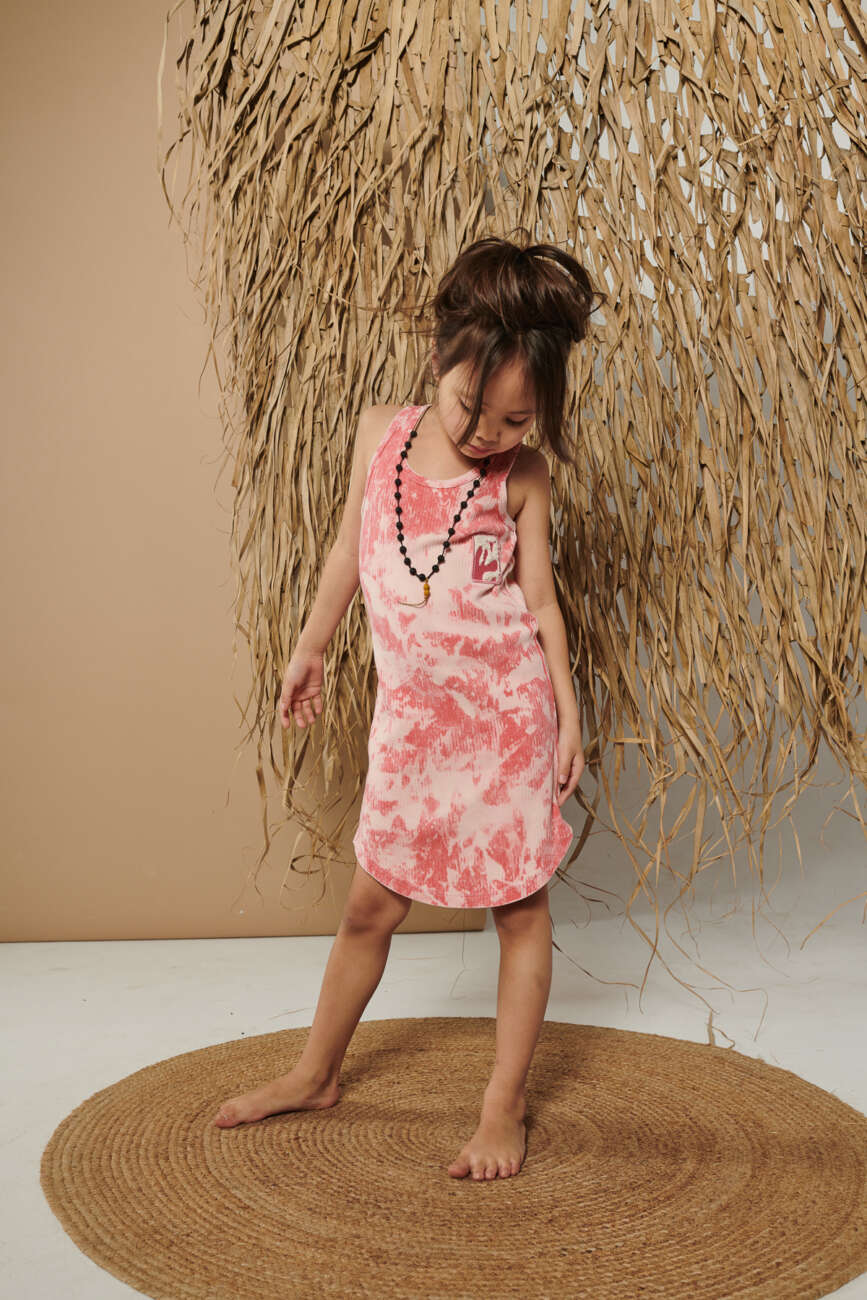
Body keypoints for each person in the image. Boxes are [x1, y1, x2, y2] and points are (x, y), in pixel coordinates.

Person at [214, 234, 598, 1181]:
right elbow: (350, 551)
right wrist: (310, 646)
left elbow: (542, 604)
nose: (487, 434)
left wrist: (569, 715)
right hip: (414, 730)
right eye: (472, 406)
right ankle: (315, 1072)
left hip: (505, 724)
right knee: (368, 908)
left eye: (515, 420)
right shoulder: (379, 434)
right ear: (438, 360)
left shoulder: (524, 477)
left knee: (519, 912)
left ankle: (503, 1104)